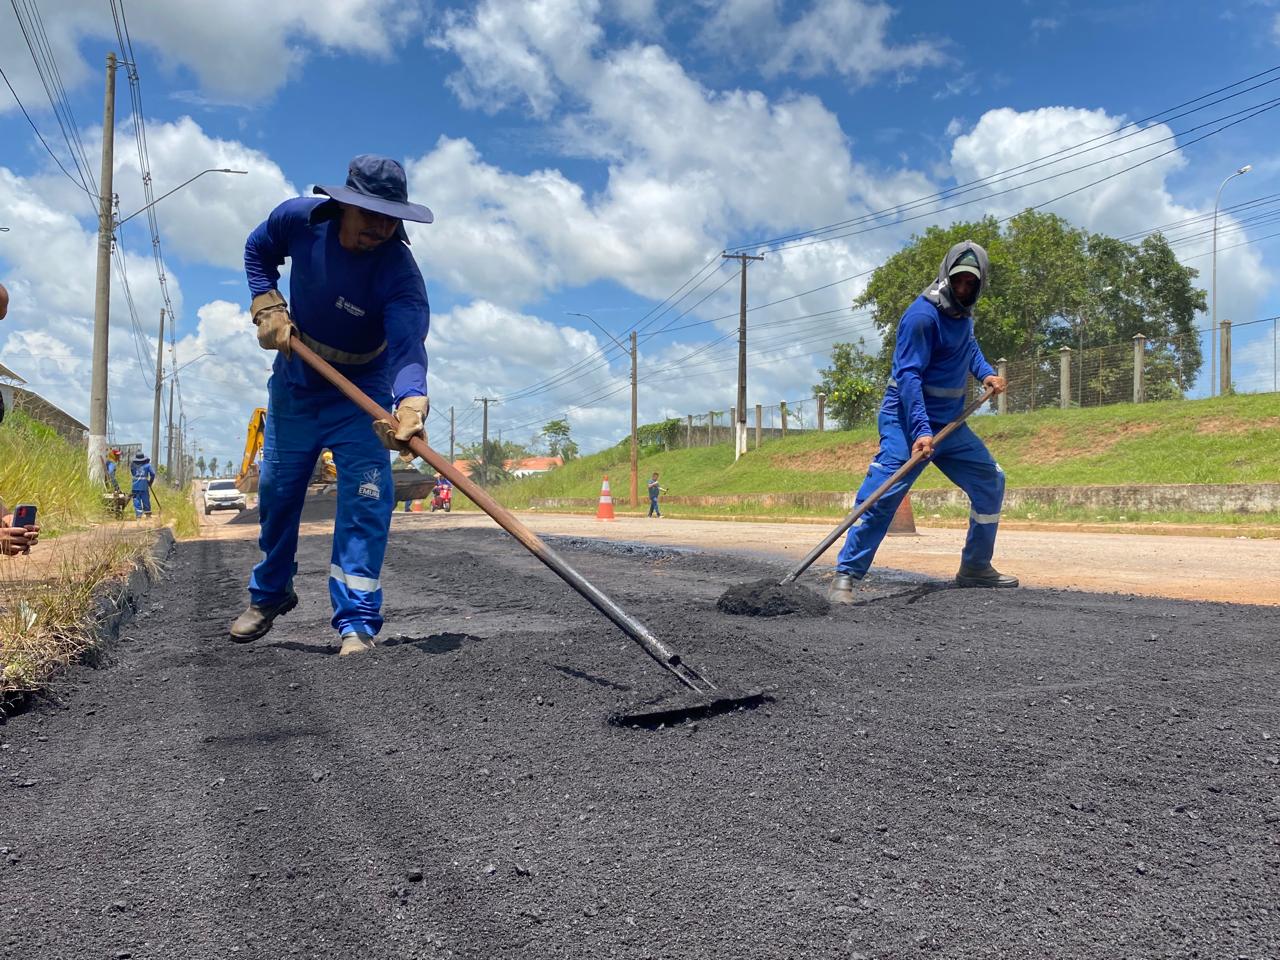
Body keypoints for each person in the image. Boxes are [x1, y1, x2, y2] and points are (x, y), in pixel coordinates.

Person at [228, 155, 432, 657]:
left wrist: (410, 402)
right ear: (343, 205)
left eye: (391, 219)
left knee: (367, 498)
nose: (380, 228)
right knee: (276, 494)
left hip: (361, 391)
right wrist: (267, 301)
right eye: (370, 215)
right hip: (297, 384)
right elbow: (257, 249)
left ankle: (356, 621)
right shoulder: (298, 220)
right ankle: (271, 593)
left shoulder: (399, 274)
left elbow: (408, 346)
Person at [829, 240, 1014, 603]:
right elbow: (909, 376)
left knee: (991, 481)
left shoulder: (963, 315)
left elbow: (968, 348)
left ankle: (975, 566)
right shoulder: (921, 317)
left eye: (971, 283)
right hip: (905, 419)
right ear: (946, 275)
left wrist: (986, 374)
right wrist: (921, 430)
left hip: (950, 423)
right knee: (884, 493)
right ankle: (845, 575)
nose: (963, 288)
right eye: (958, 280)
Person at [129, 451, 156, 518]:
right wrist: (150, 482)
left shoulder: (133, 465)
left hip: (135, 486)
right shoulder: (147, 465)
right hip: (144, 486)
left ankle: (138, 514)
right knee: (145, 499)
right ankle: (148, 514)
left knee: (136, 500)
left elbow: (132, 473)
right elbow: (153, 474)